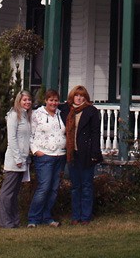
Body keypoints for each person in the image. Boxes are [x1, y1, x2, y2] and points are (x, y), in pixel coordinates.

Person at [59, 85, 102, 225]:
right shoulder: (67, 110)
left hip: (87, 153)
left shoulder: (91, 111)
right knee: (75, 186)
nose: (79, 98)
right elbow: (52, 105)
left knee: (87, 186)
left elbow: (96, 133)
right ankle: (75, 216)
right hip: (72, 154)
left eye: (82, 96)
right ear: (72, 96)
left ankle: (86, 217)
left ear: (86, 98)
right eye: (77, 95)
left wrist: (95, 152)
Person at [27, 89, 66, 227]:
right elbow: (30, 134)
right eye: (51, 100)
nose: (54, 103)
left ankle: (47, 216)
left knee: (54, 188)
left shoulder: (60, 114)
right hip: (44, 156)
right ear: (46, 100)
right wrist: (35, 150)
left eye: (56, 100)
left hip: (59, 155)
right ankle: (33, 218)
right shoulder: (37, 114)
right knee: (44, 187)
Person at [0, 90, 33, 228]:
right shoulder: (13, 116)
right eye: (24, 100)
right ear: (18, 101)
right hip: (14, 160)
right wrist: (18, 158)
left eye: (29, 100)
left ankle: (14, 221)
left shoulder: (26, 116)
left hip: (23, 160)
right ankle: (5, 222)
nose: (27, 102)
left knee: (14, 193)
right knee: (7, 193)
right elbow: (11, 139)